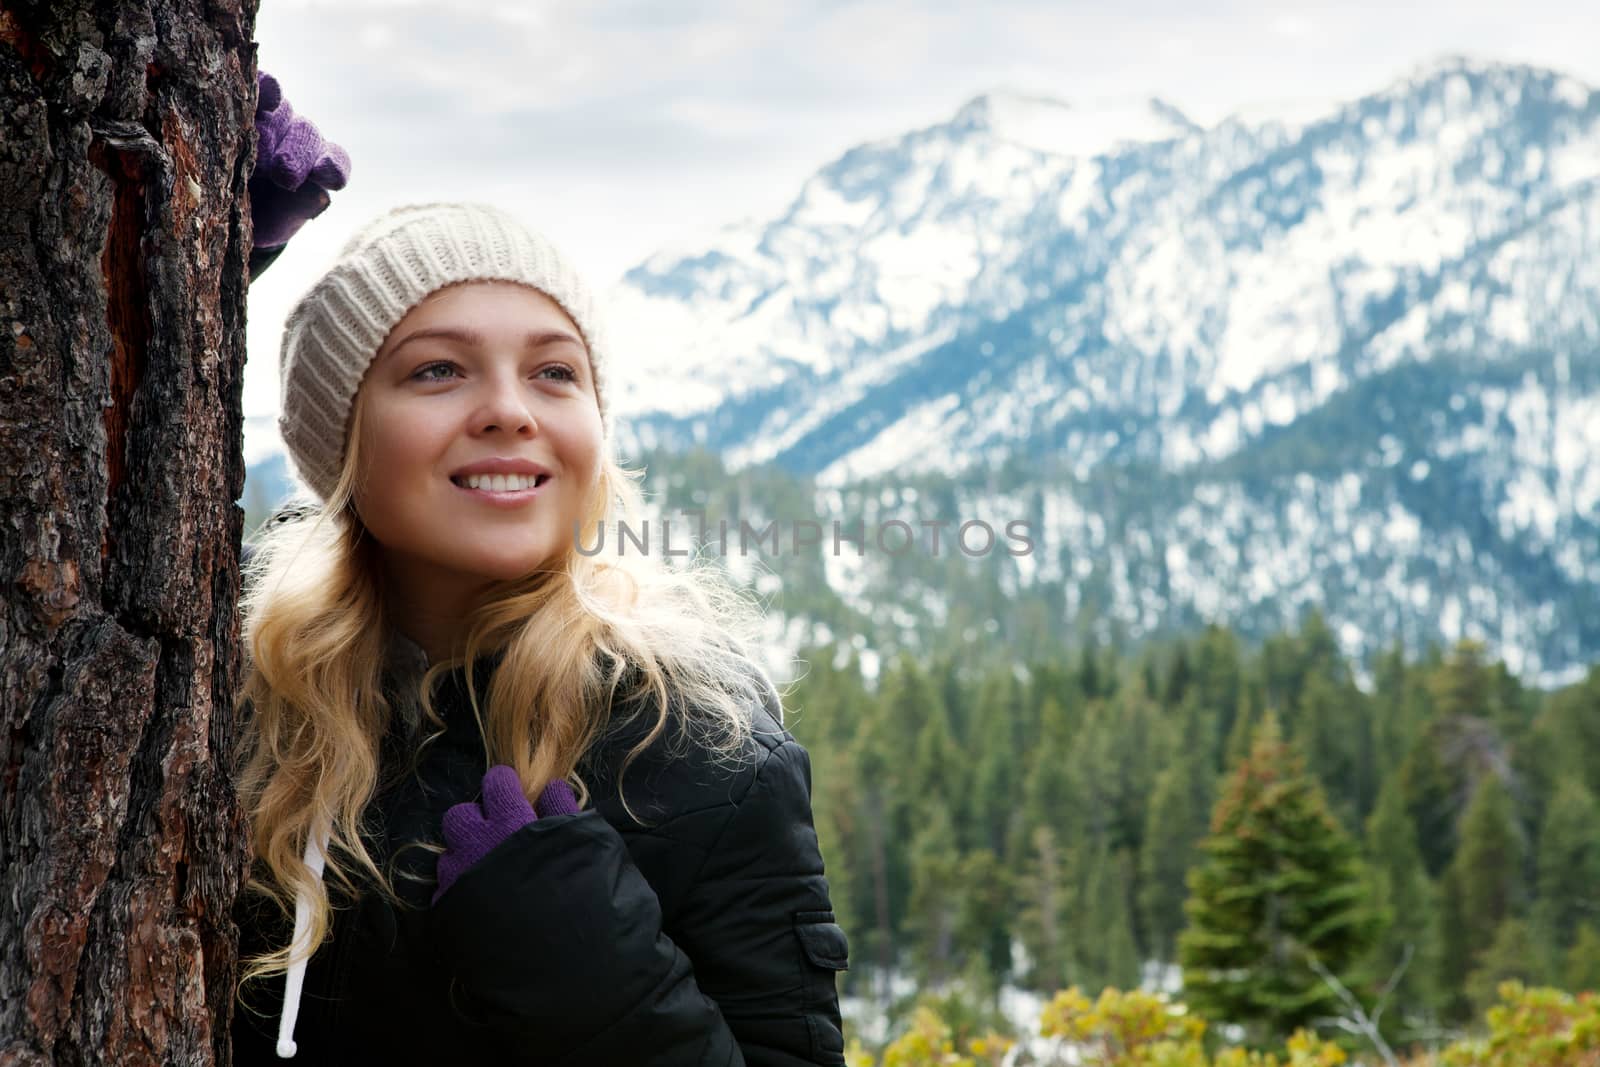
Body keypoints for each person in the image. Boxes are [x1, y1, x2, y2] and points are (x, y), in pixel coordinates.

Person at [228, 201, 849, 1065]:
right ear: (339, 429)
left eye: (555, 373)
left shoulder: (699, 744)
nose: (510, 410)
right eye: (440, 370)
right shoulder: (237, 694)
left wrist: (595, 975)